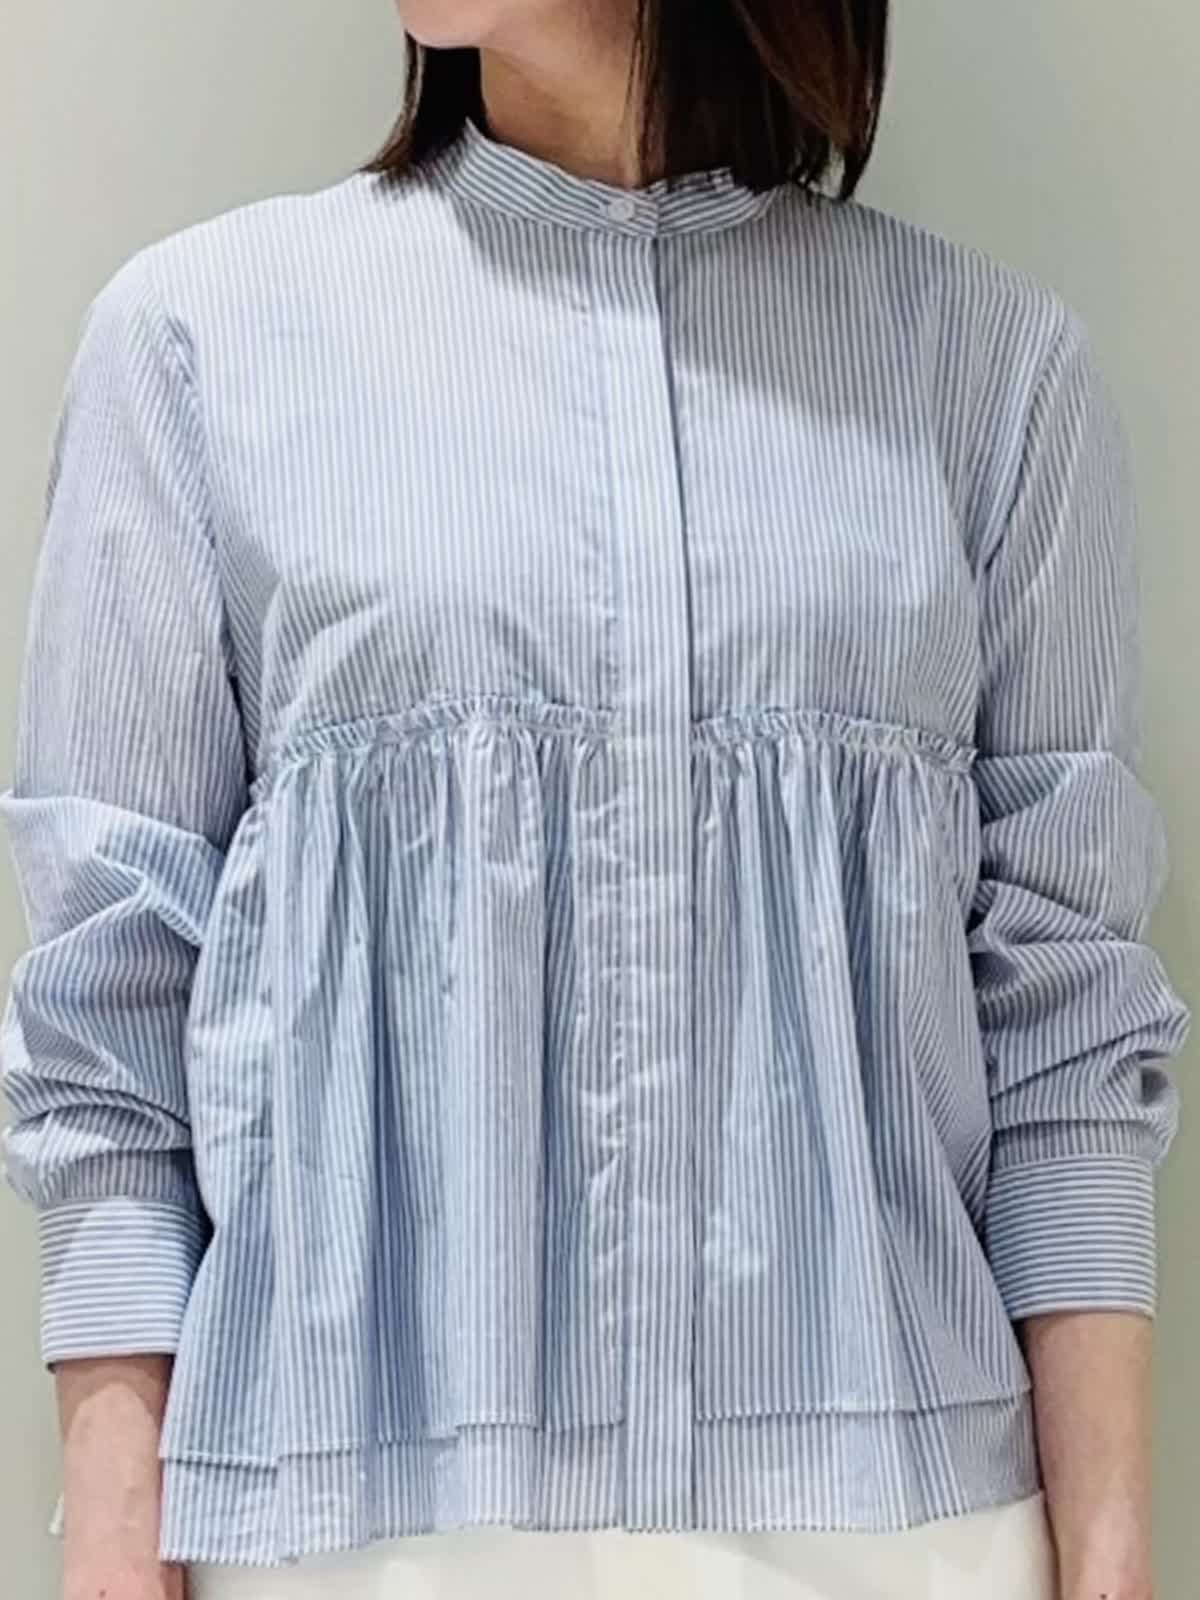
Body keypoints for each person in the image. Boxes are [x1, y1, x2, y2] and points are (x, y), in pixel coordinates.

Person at [1, 1, 1190, 1597]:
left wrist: (1109, 1556)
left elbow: (1065, 1025)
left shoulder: (990, 372)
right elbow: (111, 1002)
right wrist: (112, 1529)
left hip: (897, 1522)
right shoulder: (199, 343)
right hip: (354, 1518)